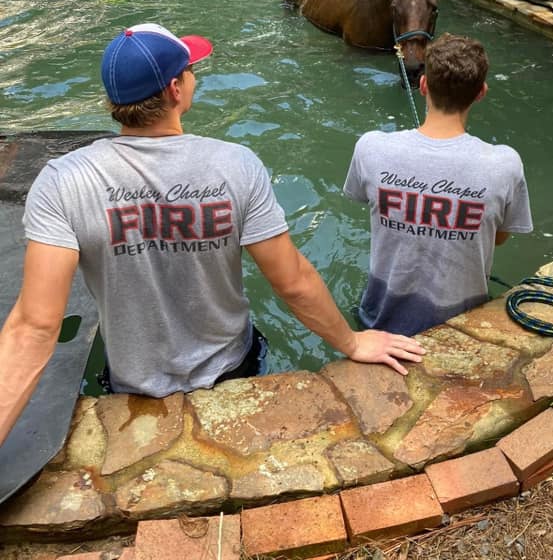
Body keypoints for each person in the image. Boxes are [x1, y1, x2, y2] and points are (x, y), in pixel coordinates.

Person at [0, 23, 424, 447]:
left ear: (114, 100)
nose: (193, 77)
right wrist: (351, 342)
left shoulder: (63, 181)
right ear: (175, 90)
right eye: (190, 71)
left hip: (130, 381)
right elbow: (292, 282)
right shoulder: (236, 165)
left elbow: (34, 327)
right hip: (233, 367)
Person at [343, 32, 533, 336]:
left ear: (423, 86)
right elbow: (498, 238)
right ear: (481, 92)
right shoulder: (505, 164)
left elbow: (369, 203)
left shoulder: (371, 147)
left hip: (376, 324)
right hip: (456, 332)